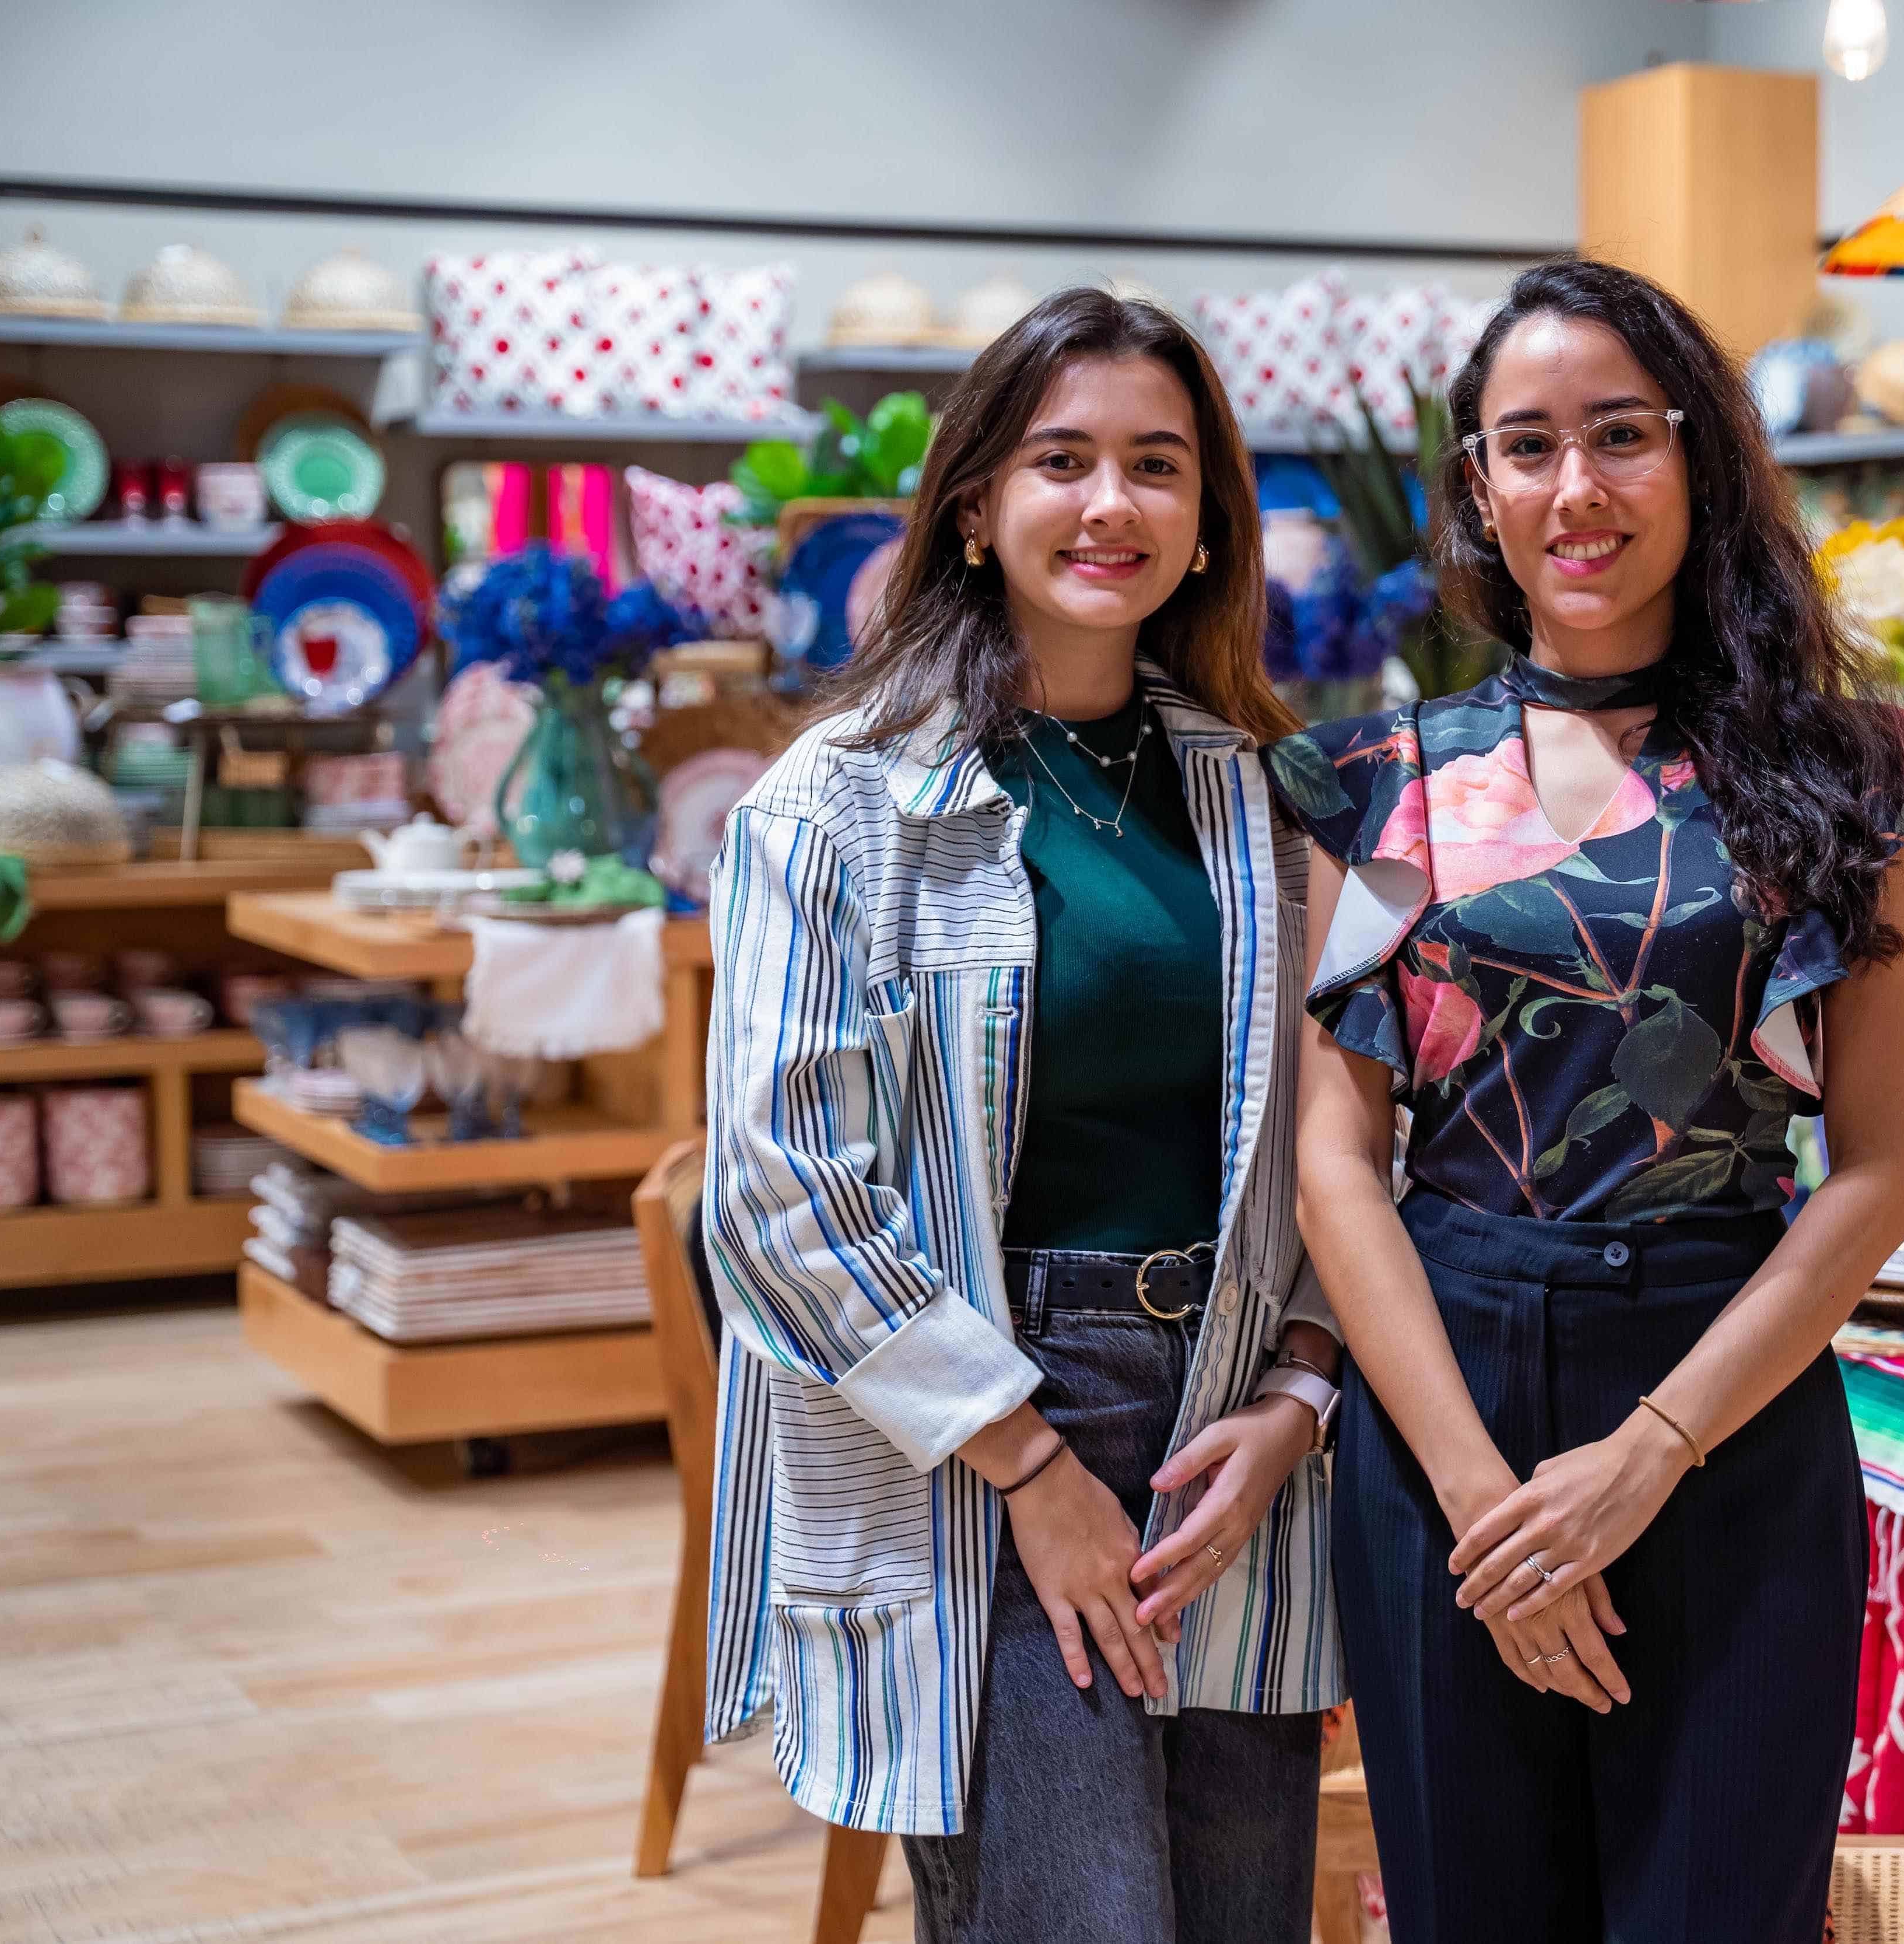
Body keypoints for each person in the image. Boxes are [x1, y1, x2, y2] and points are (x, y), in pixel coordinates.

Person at [1274, 258, 1904, 1942]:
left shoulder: (1849, 775)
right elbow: (1336, 1161)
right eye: (1528, 447)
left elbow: (1877, 1171)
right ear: (1479, 491)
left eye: (1620, 436)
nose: (1575, 489)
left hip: (1724, 1406)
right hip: (1446, 1414)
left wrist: (1650, 1453)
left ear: (1699, 461)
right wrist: (1475, 1499)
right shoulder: (1379, 783)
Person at [703, 286, 1345, 1944]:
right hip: (979, 1427)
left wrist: (1299, 1392)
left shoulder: (1265, 800)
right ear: (977, 507)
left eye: (1158, 464)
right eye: (1062, 460)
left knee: (1240, 1918)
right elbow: (778, 1198)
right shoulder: (841, 801)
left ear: (1210, 525)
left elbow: (1357, 1143)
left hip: (1229, 1427)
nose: (1111, 505)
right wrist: (1029, 1459)